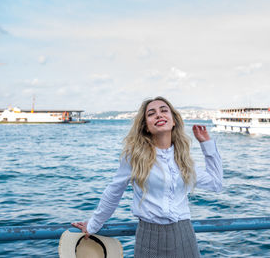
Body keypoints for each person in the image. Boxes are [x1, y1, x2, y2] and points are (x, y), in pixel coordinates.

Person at [72, 96, 223, 257]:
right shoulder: (134, 157)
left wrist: (206, 144)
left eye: (164, 111)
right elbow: (114, 192)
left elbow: (216, 183)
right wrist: (93, 225)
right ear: (146, 127)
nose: (158, 115)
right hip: (149, 236)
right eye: (151, 113)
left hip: (184, 234)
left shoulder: (184, 160)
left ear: (173, 121)